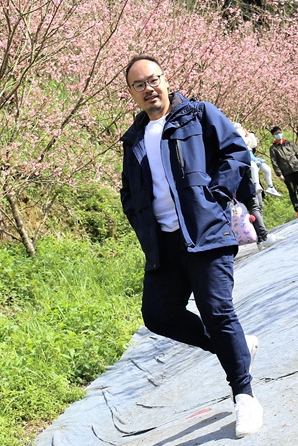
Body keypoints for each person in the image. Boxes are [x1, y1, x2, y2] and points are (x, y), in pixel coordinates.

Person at [119, 55, 263, 437]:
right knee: (159, 315)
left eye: (154, 80)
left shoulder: (198, 115)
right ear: (131, 94)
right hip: (164, 245)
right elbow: (128, 191)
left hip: (205, 234)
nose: (149, 88)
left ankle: (244, 396)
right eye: (140, 84)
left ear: (166, 80)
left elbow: (236, 151)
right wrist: (140, 222)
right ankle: (235, 346)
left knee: (217, 311)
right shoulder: (133, 138)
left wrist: (215, 193)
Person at [232, 122, 284, 250]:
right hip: (245, 182)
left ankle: (260, 240)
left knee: (257, 206)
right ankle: (264, 236)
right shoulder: (235, 145)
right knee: (255, 206)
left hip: (243, 183)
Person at [268, 126, 298, 217]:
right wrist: (279, 174)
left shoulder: (289, 143)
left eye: (279, 132)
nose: (279, 135)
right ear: (273, 136)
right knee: (292, 191)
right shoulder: (273, 148)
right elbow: (274, 162)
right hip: (286, 172)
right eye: (276, 134)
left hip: (297, 168)